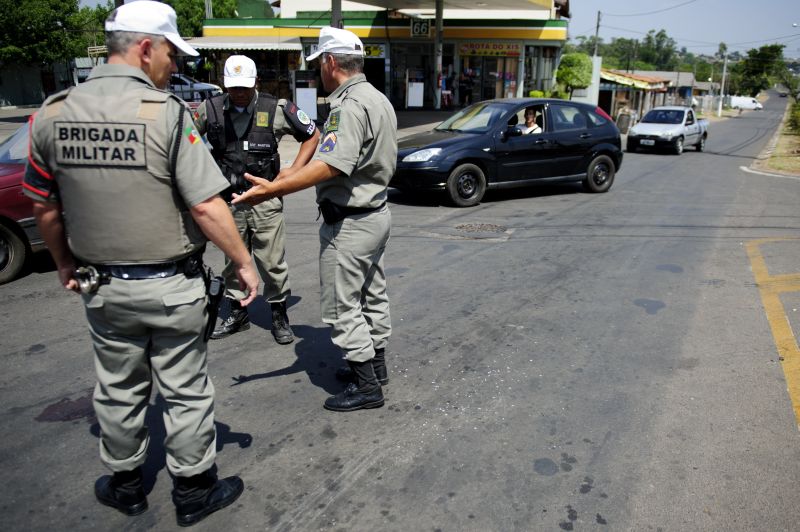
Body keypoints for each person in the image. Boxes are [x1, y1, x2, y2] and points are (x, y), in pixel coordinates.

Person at [23, 1, 259, 526]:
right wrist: (243, 262)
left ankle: (126, 484)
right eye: (172, 55)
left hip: (102, 288)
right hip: (171, 288)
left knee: (117, 387)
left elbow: (44, 206)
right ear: (146, 48)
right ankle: (194, 491)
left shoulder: (52, 114)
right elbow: (205, 205)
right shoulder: (167, 113)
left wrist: (63, 264)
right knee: (185, 390)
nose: (174, 66)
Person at [233, 26, 396, 412]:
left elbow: (331, 166)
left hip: (351, 224)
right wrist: (288, 174)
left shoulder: (348, 106)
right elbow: (333, 155)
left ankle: (367, 386)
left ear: (330, 62)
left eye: (319, 63)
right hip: (375, 214)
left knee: (341, 305)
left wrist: (275, 189)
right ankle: (376, 367)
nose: (318, 71)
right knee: (372, 295)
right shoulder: (377, 99)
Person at [193, 55, 319, 344]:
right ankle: (238, 313)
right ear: (224, 84)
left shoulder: (276, 108)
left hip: (265, 200)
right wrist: (197, 161)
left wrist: (293, 171)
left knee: (272, 261)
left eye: (245, 87)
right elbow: (186, 135)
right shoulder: (210, 109)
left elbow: (312, 135)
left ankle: (278, 314)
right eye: (233, 87)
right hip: (228, 200)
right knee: (232, 260)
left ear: (256, 83)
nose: (239, 92)